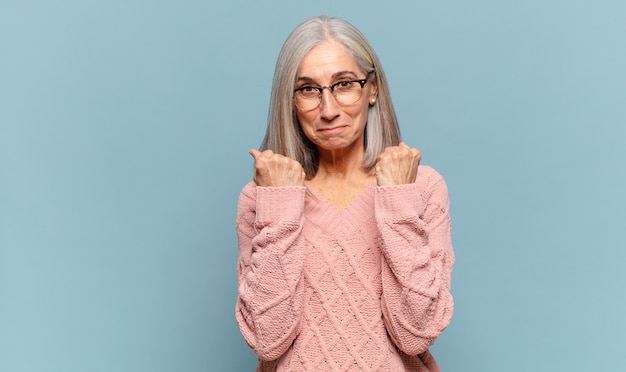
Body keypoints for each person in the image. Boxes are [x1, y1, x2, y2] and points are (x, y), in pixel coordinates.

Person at [235, 15, 454, 372]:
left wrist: (398, 199)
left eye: (344, 84)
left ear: (373, 89)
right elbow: (267, 339)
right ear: (289, 102)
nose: (329, 109)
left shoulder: (421, 187)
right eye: (308, 89)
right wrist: (279, 207)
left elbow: (417, 333)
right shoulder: (262, 196)